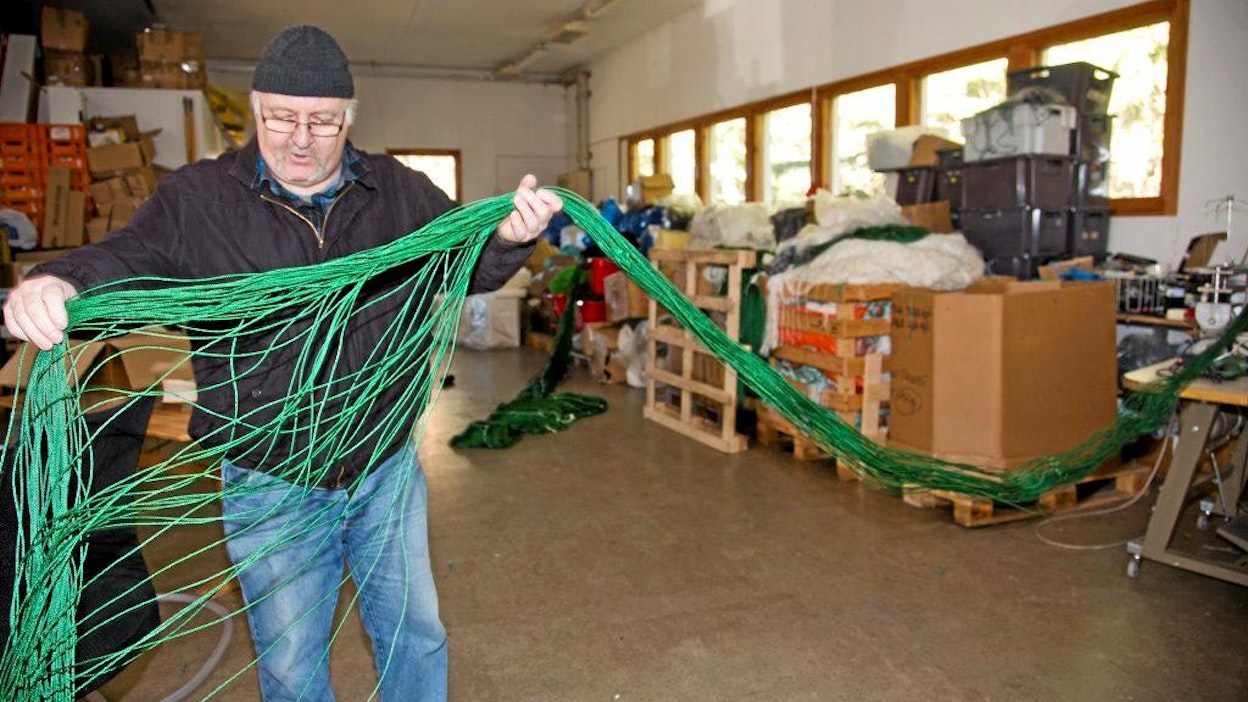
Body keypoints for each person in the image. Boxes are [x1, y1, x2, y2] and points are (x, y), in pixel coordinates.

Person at [3, 25, 562, 702]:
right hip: (272, 482)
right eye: (281, 118)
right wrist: (57, 280)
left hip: (383, 467)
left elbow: (466, 266)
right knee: (293, 667)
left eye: (322, 122)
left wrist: (508, 238)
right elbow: (126, 256)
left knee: (415, 635)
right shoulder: (198, 201)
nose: (301, 139)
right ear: (256, 109)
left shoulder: (397, 192)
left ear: (348, 119)